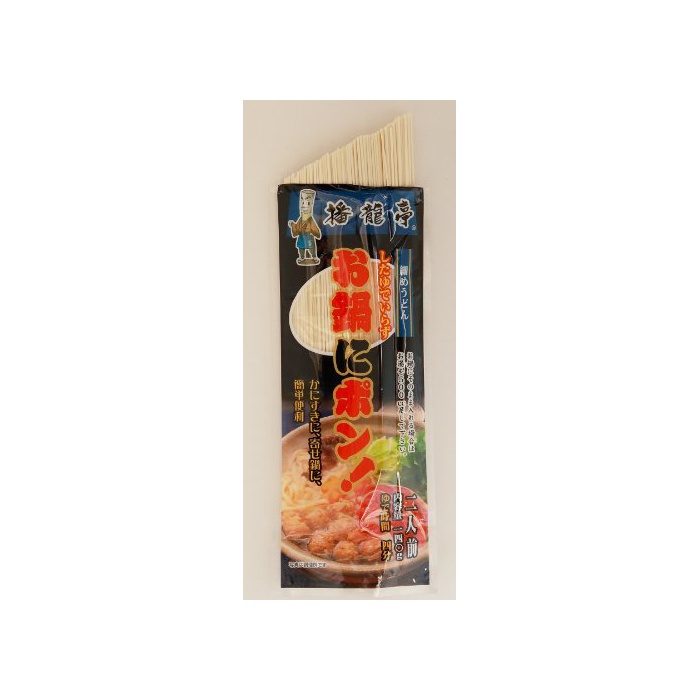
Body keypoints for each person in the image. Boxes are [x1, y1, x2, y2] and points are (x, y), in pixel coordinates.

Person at [288, 189, 321, 266]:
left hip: (309, 235)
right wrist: (292, 224)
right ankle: (302, 257)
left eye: (308, 203)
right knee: (301, 247)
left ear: (311, 205)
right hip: (301, 235)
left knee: (311, 247)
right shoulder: (301, 218)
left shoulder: (310, 219)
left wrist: (315, 232)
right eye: (302, 202)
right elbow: (297, 226)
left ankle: (314, 256)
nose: (304, 206)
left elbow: (314, 228)